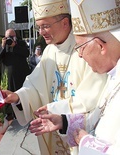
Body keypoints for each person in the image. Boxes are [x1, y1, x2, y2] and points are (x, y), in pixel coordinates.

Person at [2, 0, 108, 154]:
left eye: (45, 26)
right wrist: (17, 97)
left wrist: (53, 110)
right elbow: (34, 85)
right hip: (54, 136)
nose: (41, 32)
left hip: (80, 137)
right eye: (39, 27)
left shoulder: (86, 46)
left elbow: (92, 97)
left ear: (65, 22)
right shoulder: (49, 52)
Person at [29, 0, 120, 154]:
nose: (79, 54)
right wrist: (64, 122)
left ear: (100, 46)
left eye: (81, 47)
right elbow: (99, 119)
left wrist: (86, 142)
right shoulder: (114, 78)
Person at [0, 29, 31, 120]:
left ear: (16, 36)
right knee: (9, 94)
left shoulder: (20, 43)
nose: (10, 39)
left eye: (12, 37)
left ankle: (25, 112)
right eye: (8, 37)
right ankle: (11, 114)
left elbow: (26, 53)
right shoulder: (3, 45)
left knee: (21, 94)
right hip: (8, 76)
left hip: (20, 74)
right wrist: (2, 46)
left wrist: (15, 46)